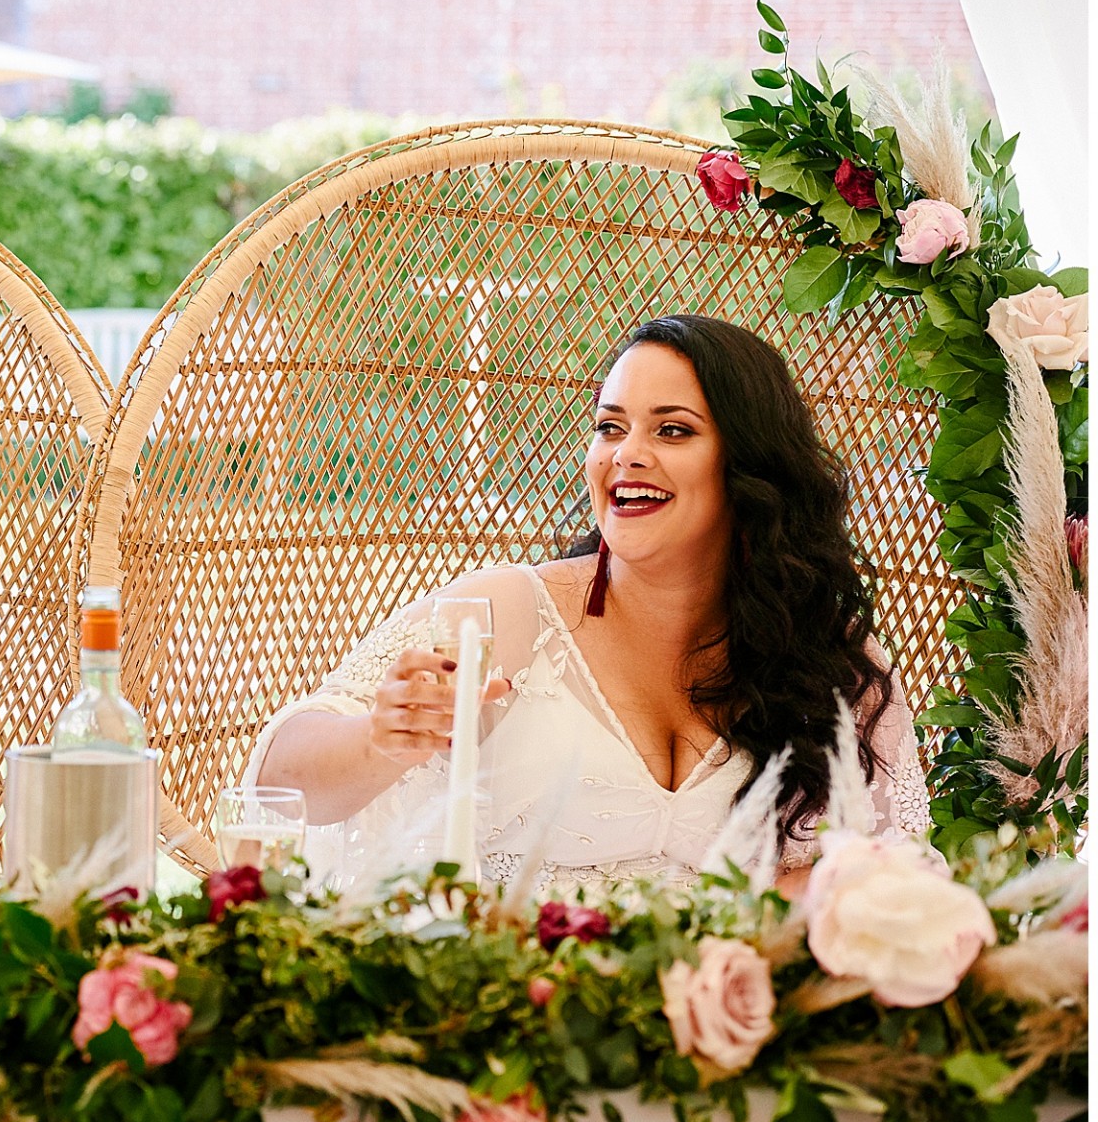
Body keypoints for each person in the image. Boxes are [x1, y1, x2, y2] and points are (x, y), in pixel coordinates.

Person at [250, 314, 931, 897]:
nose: (626, 455)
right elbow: (282, 784)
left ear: (748, 467)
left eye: (672, 431)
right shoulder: (506, 611)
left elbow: (893, 873)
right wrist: (379, 737)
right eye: (611, 427)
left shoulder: (827, 654)